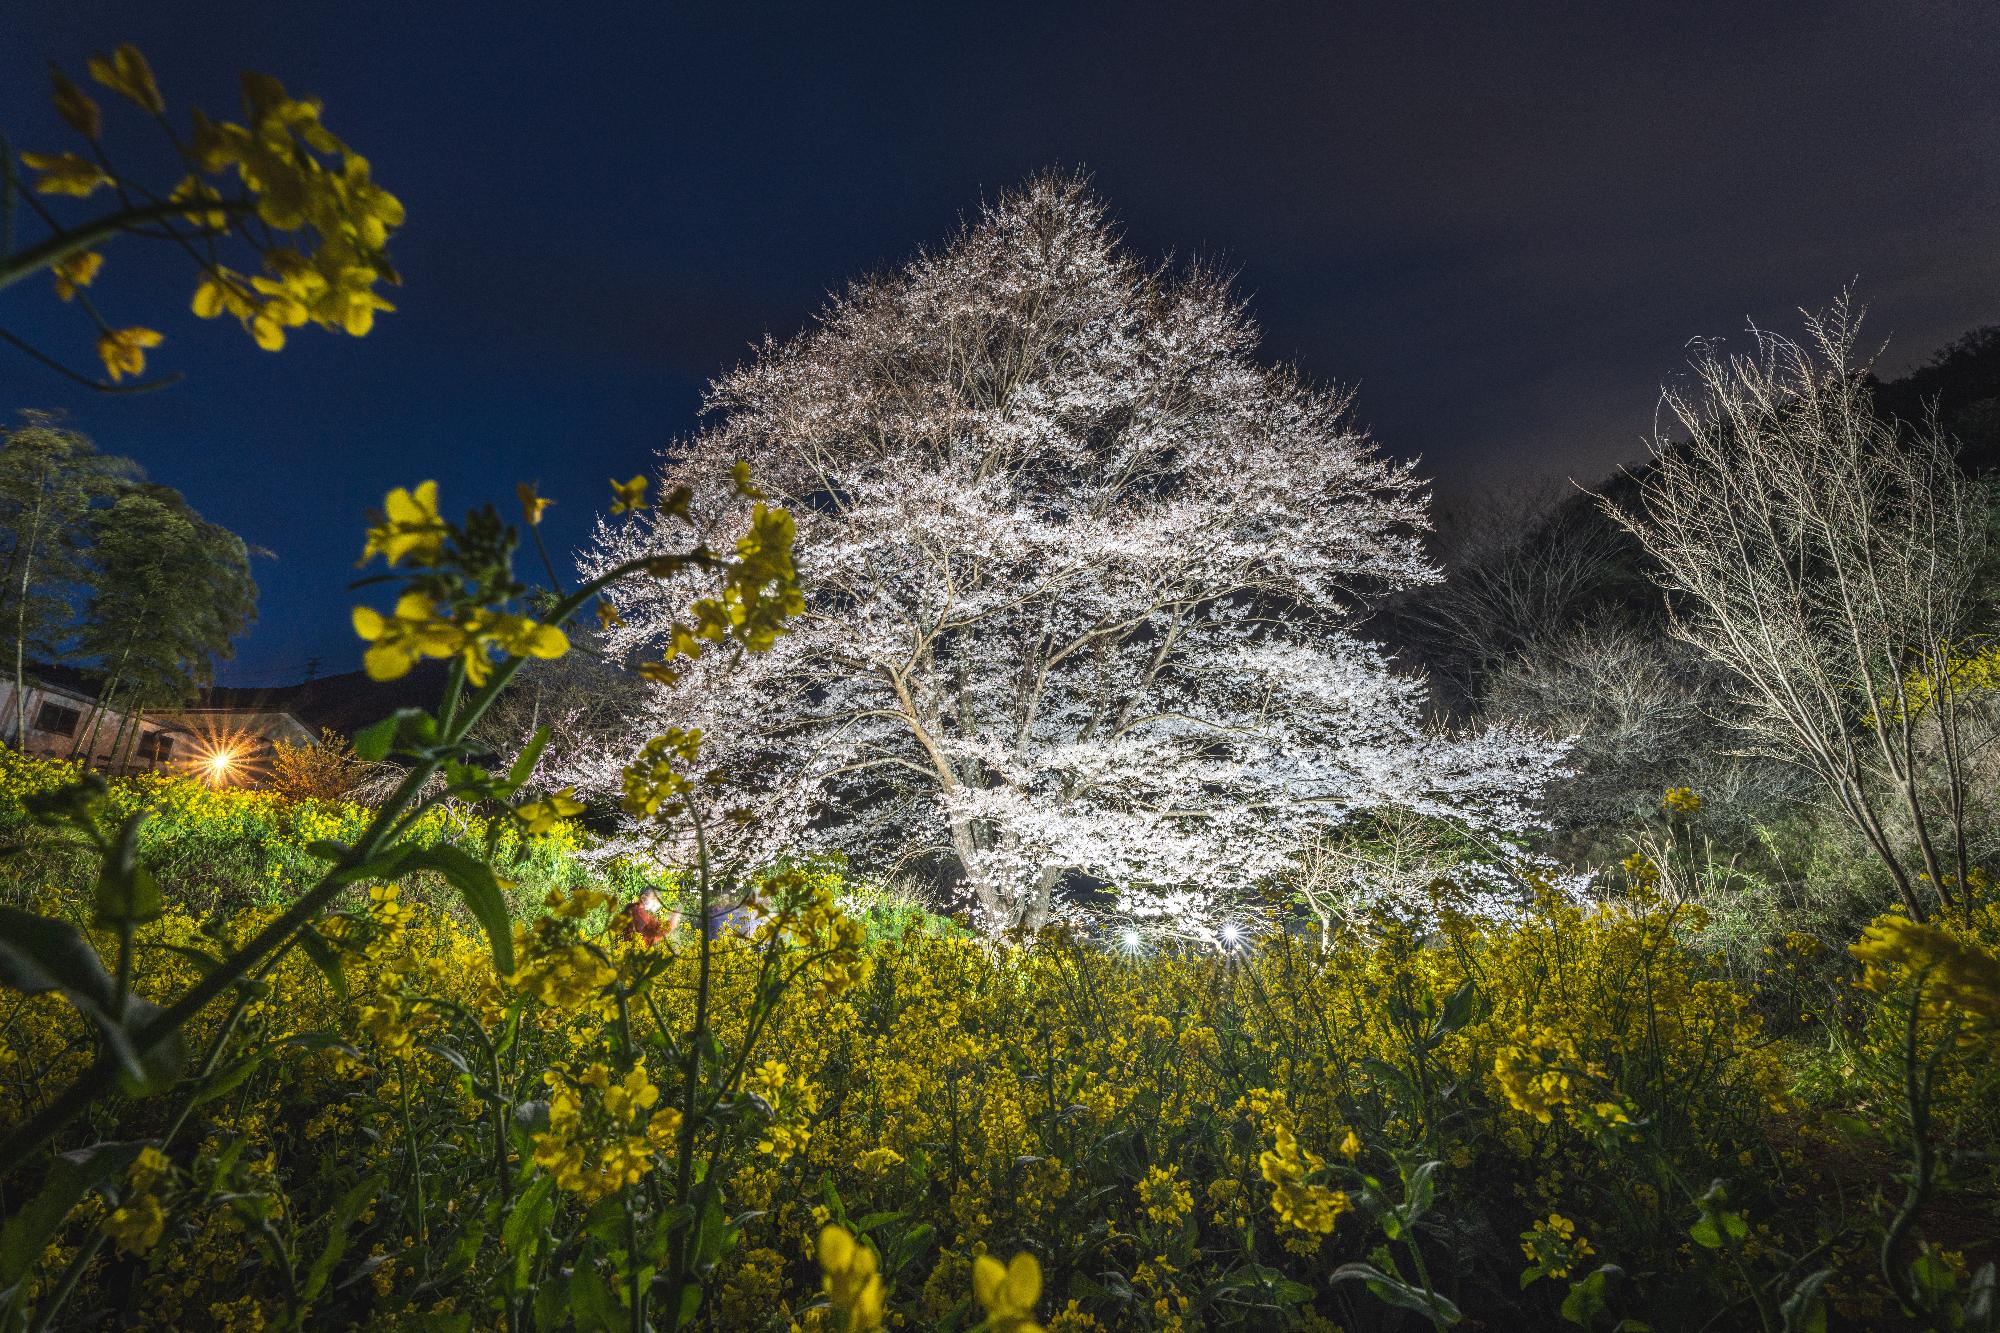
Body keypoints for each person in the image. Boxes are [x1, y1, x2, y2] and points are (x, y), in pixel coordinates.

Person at [617, 888, 681, 946]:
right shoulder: (636, 912)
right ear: (643, 898)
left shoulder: (637, 910)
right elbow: (653, 930)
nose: (656, 902)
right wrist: (672, 921)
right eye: (653, 899)